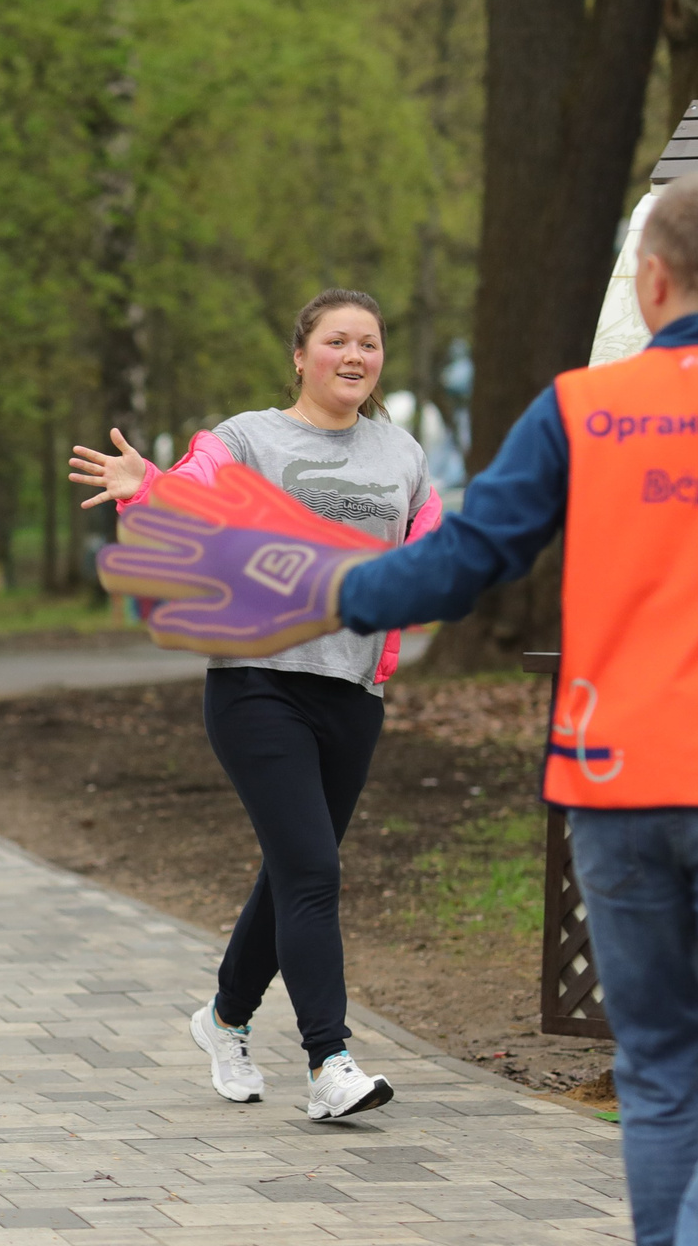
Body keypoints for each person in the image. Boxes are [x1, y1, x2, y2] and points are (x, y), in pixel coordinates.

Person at [98, 172, 698, 1246]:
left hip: (613, 786)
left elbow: (459, 559)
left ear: (650, 283)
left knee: (659, 1073)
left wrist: (306, 594)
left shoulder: (580, 414)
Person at [72, 290, 439, 1121]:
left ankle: (225, 1017)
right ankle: (329, 1061)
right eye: (337, 340)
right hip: (257, 683)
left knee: (291, 872)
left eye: (370, 344)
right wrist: (146, 484)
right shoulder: (247, 438)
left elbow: (432, 551)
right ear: (301, 354)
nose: (355, 355)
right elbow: (192, 498)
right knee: (313, 869)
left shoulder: (403, 452)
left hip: (352, 691)